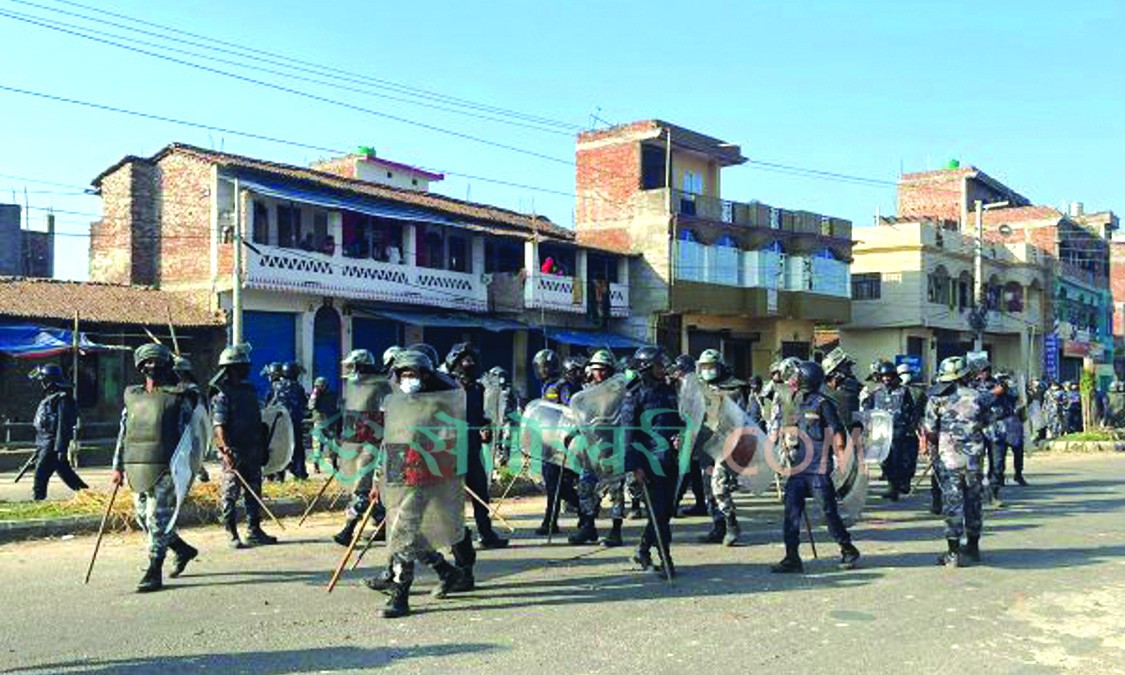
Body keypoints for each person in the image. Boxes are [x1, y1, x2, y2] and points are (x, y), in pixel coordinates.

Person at [367, 349, 473, 619]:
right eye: (403, 374)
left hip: (426, 475)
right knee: (410, 533)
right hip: (398, 472)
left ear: (425, 376)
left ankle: (400, 595)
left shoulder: (439, 403)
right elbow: (387, 442)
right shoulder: (398, 403)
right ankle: (445, 571)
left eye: (413, 374)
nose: (407, 379)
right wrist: (378, 479)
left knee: (403, 532)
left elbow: (452, 438)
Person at [110, 344, 197, 592]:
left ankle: (154, 570)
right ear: (140, 366)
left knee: (157, 519)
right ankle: (182, 549)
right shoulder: (133, 397)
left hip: (167, 467)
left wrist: (190, 469)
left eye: (158, 363)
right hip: (137, 465)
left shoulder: (179, 399)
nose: (153, 367)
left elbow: (188, 437)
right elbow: (123, 433)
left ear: (167, 366)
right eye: (148, 363)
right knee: (142, 517)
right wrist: (117, 467)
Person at [769, 360, 860, 573]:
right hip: (799, 469)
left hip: (819, 469)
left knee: (829, 512)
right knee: (791, 513)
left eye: (797, 376)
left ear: (806, 379)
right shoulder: (798, 401)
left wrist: (841, 462)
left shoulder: (823, 403)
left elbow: (837, 432)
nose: (793, 379)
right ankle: (792, 558)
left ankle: (847, 549)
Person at [623, 346, 683, 578]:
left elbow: (678, 420)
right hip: (647, 463)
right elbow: (628, 434)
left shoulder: (669, 391)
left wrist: (681, 436)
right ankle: (665, 559)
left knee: (666, 511)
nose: (662, 370)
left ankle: (642, 550)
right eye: (658, 366)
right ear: (646, 368)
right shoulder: (634, 394)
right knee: (657, 512)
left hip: (671, 460)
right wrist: (634, 467)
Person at [923, 356, 988, 567]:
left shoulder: (936, 399)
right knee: (974, 503)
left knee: (953, 504)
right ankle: (974, 548)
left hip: (949, 460)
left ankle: (953, 553)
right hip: (974, 460)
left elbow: (930, 430)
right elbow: (988, 422)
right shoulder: (979, 397)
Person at [212, 344, 278, 549]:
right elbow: (219, 426)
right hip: (234, 451)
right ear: (233, 367)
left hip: (253, 449)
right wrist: (225, 450)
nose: (248, 368)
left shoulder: (249, 390)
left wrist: (263, 446)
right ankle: (231, 532)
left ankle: (254, 530)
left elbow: (257, 420)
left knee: (254, 491)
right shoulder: (223, 394)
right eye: (243, 365)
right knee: (230, 493)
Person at [445, 343, 509, 549]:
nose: (468, 366)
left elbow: (480, 416)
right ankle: (454, 536)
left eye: (471, 362)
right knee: (451, 497)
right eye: (464, 362)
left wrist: (485, 426)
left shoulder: (478, 389)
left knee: (480, 491)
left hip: (472, 450)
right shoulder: (447, 388)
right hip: (451, 452)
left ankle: (486, 532)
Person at [570, 350, 630, 547]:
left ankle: (616, 530)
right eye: (596, 370)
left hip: (613, 447)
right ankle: (588, 526)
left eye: (604, 370)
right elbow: (578, 416)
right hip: (591, 447)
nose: (600, 374)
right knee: (586, 488)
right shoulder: (585, 393)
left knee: (615, 492)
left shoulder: (620, 391)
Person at [333, 349, 387, 547]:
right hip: (354, 444)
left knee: (362, 489)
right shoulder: (355, 388)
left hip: (373, 444)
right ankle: (382, 521)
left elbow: (385, 417)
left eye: (352, 366)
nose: (349, 370)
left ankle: (349, 529)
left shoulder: (380, 387)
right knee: (361, 486)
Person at [694, 349, 744, 547]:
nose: (707, 371)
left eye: (711, 367)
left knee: (719, 487)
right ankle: (718, 526)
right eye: (704, 367)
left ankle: (732, 525)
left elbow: (740, 419)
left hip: (725, 445)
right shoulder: (699, 389)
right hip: (705, 445)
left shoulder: (734, 389)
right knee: (708, 488)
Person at [533, 348, 579, 535]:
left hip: (560, 441)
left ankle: (583, 508)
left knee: (556, 483)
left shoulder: (562, 386)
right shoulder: (545, 387)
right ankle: (550, 520)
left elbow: (570, 411)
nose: (543, 370)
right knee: (551, 483)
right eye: (541, 367)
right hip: (547, 440)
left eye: (545, 367)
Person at [28, 364, 88, 501]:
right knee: (66, 473)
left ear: (49, 381)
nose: (42, 383)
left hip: (52, 444)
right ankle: (88, 494)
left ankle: (38, 500)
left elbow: (63, 425)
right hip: (44, 443)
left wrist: (60, 449)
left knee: (40, 475)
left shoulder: (62, 400)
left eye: (44, 380)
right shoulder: (49, 398)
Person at [863, 360, 917, 501]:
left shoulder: (903, 391)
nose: (886, 378)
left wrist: (911, 425)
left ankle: (897, 487)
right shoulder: (876, 392)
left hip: (899, 430)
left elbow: (912, 410)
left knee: (898, 460)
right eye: (884, 376)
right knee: (884, 461)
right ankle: (892, 485)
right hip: (881, 431)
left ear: (894, 376)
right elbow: (867, 409)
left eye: (889, 376)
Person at [669, 354, 708, 517]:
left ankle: (674, 503)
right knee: (694, 470)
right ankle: (700, 503)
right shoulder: (696, 382)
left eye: (677, 369)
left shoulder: (688, 384)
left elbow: (684, 413)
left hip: (689, 432)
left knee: (683, 469)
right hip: (698, 432)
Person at [268, 361, 309, 480]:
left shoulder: (275, 386)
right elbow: (304, 404)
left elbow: (269, 404)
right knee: (298, 448)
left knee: (278, 448)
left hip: (280, 423)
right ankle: (300, 472)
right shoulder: (298, 387)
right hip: (294, 422)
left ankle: (277, 475)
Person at [307, 376, 338, 474]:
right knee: (323, 445)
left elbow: (311, 406)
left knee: (325, 445)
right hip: (325, 422)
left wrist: (314, 395)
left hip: (324, 421)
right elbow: (311, 406)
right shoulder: (330, 394)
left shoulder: (327, 395)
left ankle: (330, 464)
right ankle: (324, 465)